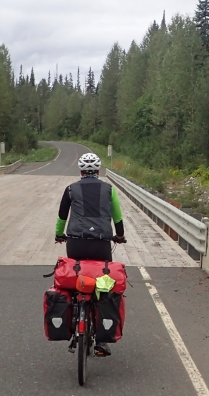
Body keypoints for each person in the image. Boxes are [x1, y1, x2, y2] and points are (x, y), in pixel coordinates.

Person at [54, 152, 125, 356]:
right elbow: (117, 217)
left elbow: (61, 217)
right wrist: (119, 236)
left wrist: (59, 235)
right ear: (98, 171)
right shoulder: (109, 189)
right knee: (103, 283)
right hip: (101, 243)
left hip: (75, 242)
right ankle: (102, 340)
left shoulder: (70, 190)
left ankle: (75, 315)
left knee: (76, 276)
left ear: (81, 171)